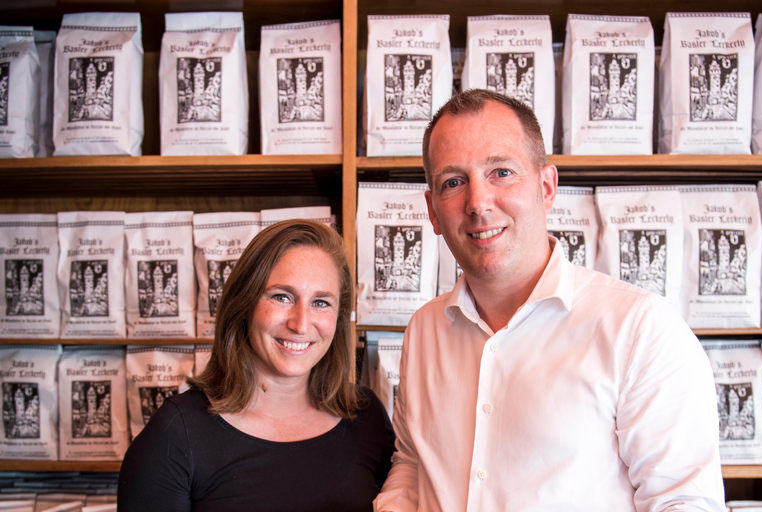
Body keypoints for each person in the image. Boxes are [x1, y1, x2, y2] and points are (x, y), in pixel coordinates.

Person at [373, 89, 726, 512]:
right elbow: (414, 464)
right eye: (453, 182)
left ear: (546, 187)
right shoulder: (425, 329)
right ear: (432, 211)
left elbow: (683, 502)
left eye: (501, 172)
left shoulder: (640, 328)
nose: (479, 203)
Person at [119, 219, 395, 512]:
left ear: (339, 318)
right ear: (244, 303)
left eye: (321, 302)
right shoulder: (176, 433)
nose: (300, 324)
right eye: (281, 297)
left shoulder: (366, 417)